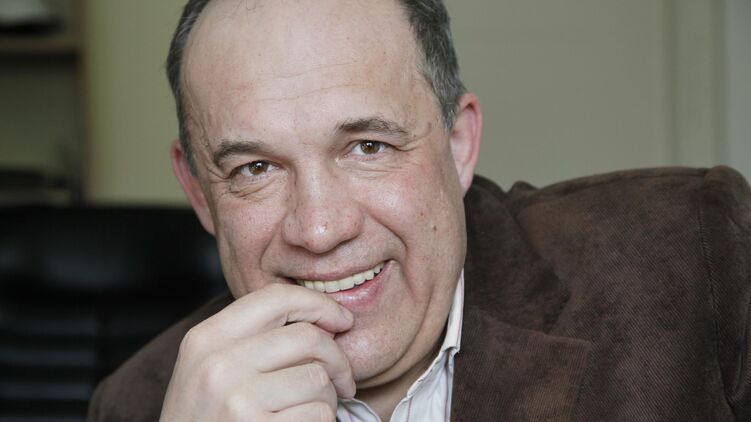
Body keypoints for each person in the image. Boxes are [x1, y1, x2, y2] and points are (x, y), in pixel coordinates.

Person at [88, 0, 751, 421]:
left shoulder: (697, 258)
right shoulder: (141, 405)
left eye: (367, 147)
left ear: (458, 144)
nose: (319, 229)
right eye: (255, 168)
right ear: (199, 191)